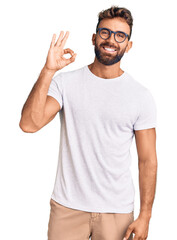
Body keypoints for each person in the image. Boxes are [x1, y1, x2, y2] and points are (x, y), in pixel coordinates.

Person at [19, 5, 158, 240]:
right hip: (67, 208)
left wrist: (145, 216)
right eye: (105, 32)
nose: (111, 40)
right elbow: (29, 124)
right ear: (94, 37)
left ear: (128, 45)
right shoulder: (65, 84)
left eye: (120, 35)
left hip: (117, 211)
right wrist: (48, 70)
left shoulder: (140, 96)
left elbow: (148, 161)